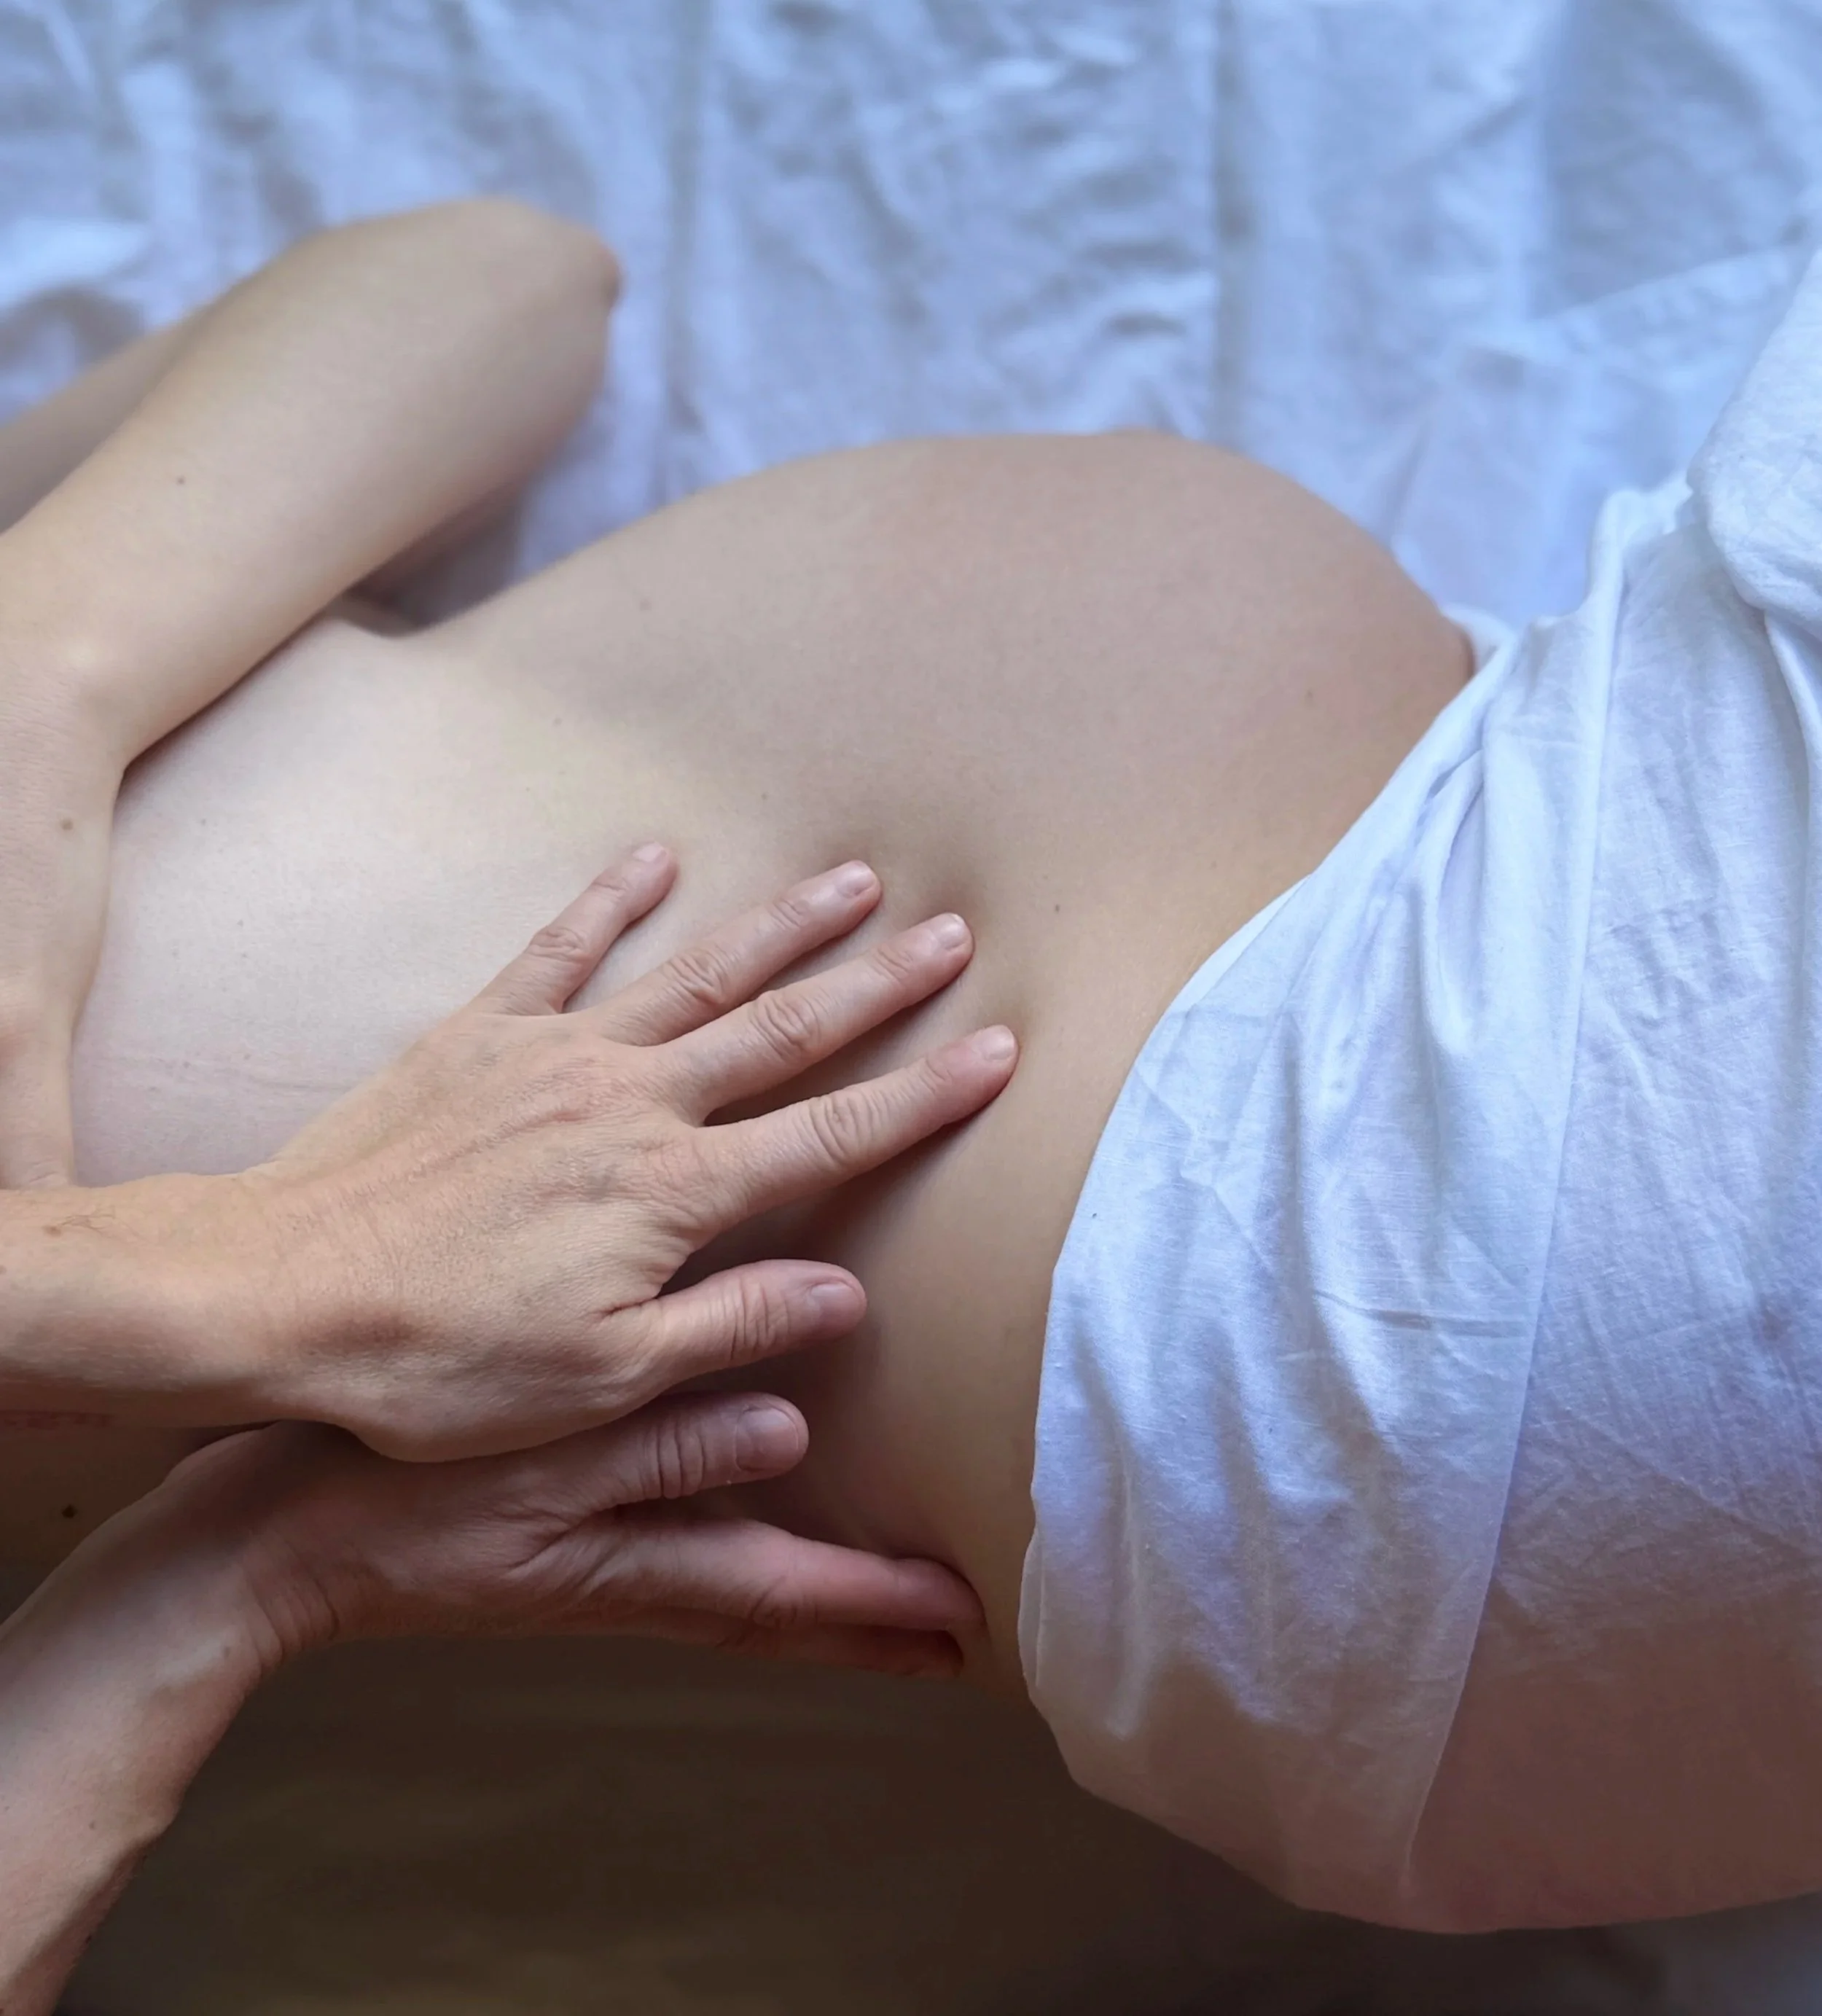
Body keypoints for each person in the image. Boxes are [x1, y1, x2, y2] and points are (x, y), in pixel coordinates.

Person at [10, 195, 1822, 1936]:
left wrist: (45, 681)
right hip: (1401, 1250)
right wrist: (249, 1364)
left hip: (1465, 1172)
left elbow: (501, 284)